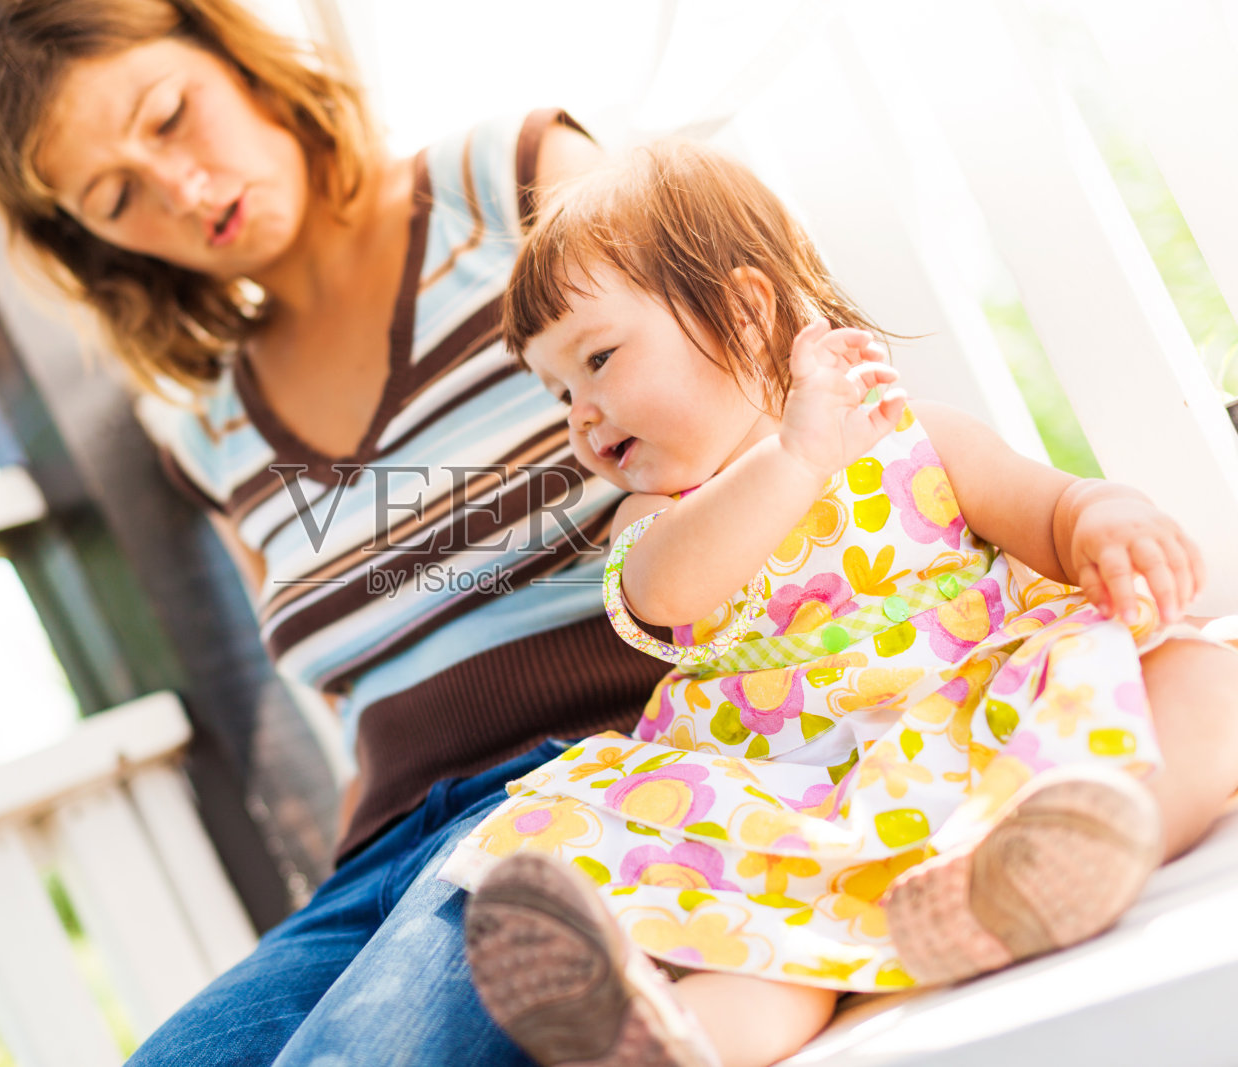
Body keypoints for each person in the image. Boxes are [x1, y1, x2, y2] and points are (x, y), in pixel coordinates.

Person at [0, 1, 671, 1064]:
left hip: (604, 771)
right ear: (88, 241)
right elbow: (357, 695)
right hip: (386, 853)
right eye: (116, 197)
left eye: (170, 115)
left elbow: (745, 418)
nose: (185, 193)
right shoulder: (209, 425)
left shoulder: (509, 181)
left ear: (227, 48)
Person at [437, 140, 1238, 1067]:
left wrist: (1107, 517)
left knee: (1204, 677)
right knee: (764, 946)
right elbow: (671, 591)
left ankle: (1067, 859)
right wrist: (795, 457)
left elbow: (1048, 509)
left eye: (600, 359)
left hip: (990, 728)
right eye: (559, 390)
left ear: (743, 311)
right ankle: (676, 1041)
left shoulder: (913, 435)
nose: (580, 411)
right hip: (794, 800)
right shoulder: (658, 514)